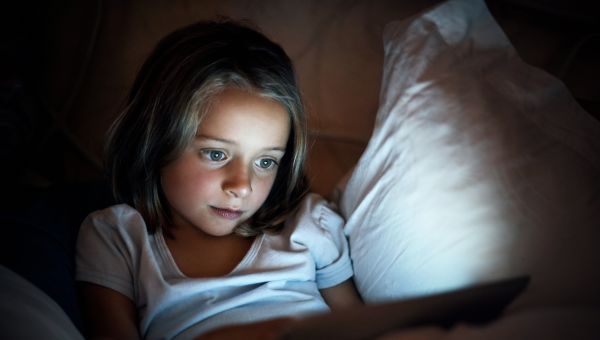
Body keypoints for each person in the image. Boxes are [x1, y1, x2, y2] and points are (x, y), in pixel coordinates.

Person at [75, 19, 362, 339]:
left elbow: (363, 326)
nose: (242, 185)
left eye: (266, 161)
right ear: (155, 141)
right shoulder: (118, 239)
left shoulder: (309, 224)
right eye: (216, 154)